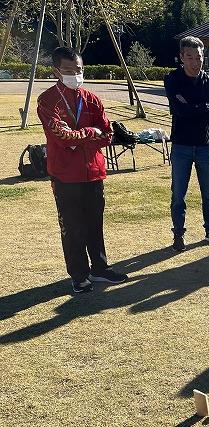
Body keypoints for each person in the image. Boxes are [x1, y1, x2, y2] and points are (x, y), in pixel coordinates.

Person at [37, 47, 128, 294]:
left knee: (94, 224)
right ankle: (79, 275)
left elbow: (108, 134)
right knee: (72, 227)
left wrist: (82, 138)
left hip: (93, 171)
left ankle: (100, 268)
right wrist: (89, 133)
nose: (75, 75)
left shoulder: (92, 99)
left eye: (78, 70)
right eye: (68, 70)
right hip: (65, 174)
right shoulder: (47, 100)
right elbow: (62, 137)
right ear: (56, 71)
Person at [164, 36, 209, 251]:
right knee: (178, 193)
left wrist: (194, 108)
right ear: (181, 57)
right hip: (181, 145)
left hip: (205, 146)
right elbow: (179, 109)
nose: (195, 61)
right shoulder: (173, 79)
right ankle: (178, 234)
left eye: (198, 57)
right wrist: (204, 108)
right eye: (189, 57)